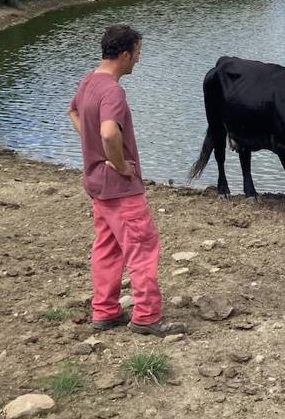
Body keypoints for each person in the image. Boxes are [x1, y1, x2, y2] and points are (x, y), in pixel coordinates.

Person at [68, 24, 185, 336]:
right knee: (142, 248)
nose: (138, 60)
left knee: (107, 247)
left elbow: (73, 112)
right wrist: (120, 165)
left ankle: (105, 310)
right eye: (137, 54)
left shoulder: (88, 81)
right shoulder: (112, 91)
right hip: (120, 189)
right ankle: (147, 317)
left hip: (96, 186)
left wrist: (91, 145)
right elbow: (108, 132)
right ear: (123, 54)